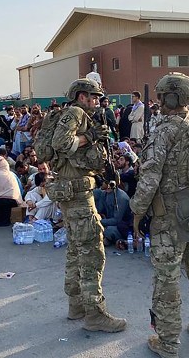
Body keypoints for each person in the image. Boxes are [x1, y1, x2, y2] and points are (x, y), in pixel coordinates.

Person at [129, 73, 189, 357]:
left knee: (167, 279)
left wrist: (136, 211)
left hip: (169, 213)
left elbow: (150, 175)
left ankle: (168, 343)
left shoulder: (164, 129)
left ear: (168, 98)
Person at [51, 78, 127, 333]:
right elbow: (61, 144)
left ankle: (76, 305)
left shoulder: (71, 115)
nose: (97, 101)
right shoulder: (75, 113)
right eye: (93, 97)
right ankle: (94, 313)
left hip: (71, 192)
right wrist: (89, 137)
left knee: (75, 250)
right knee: (92, 252)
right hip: (78, 195)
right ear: (82, 96)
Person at [97, 179, 132, 247]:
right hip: (108, 221)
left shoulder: (122, 198)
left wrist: (99, 222)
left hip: (122, 226)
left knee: (109, 230)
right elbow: (99, 210)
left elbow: (117, 220)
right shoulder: (104, 193)